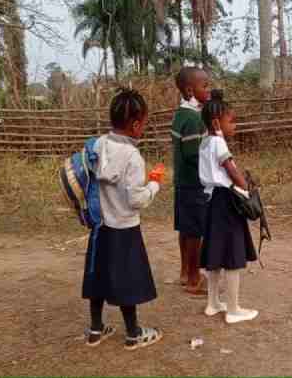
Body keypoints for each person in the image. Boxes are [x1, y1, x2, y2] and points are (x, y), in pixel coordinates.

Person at [82, 88, 165, 350]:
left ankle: (96, 329)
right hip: (125, 228)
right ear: (136, 124)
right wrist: (154, 185)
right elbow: (135, 200)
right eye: (144, 124)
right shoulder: (132, 157)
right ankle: (133, 333)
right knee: (127, 279)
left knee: (99, 277)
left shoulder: (97, 145)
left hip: (100, 227)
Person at [198, 89, 259, 324]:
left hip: (212, 202)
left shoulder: (205, 142)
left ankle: (213, 303)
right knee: (233, 254)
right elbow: (230, 169)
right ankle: (233, 310)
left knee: (215, 252)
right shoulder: (218, 141)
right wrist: (246, 188)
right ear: (217, 122)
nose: (235, 125)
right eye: (231, 121)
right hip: (226, 201)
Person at [171, 67, 211, 295]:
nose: (208, 89)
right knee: (195, 231)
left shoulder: (181, 114)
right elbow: (193, 154)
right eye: (204, 86)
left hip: (182, 182)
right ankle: (195, 279)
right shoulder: (194, 120)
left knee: (186, 229)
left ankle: (185, 271)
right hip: (195, 183)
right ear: (189, 90)